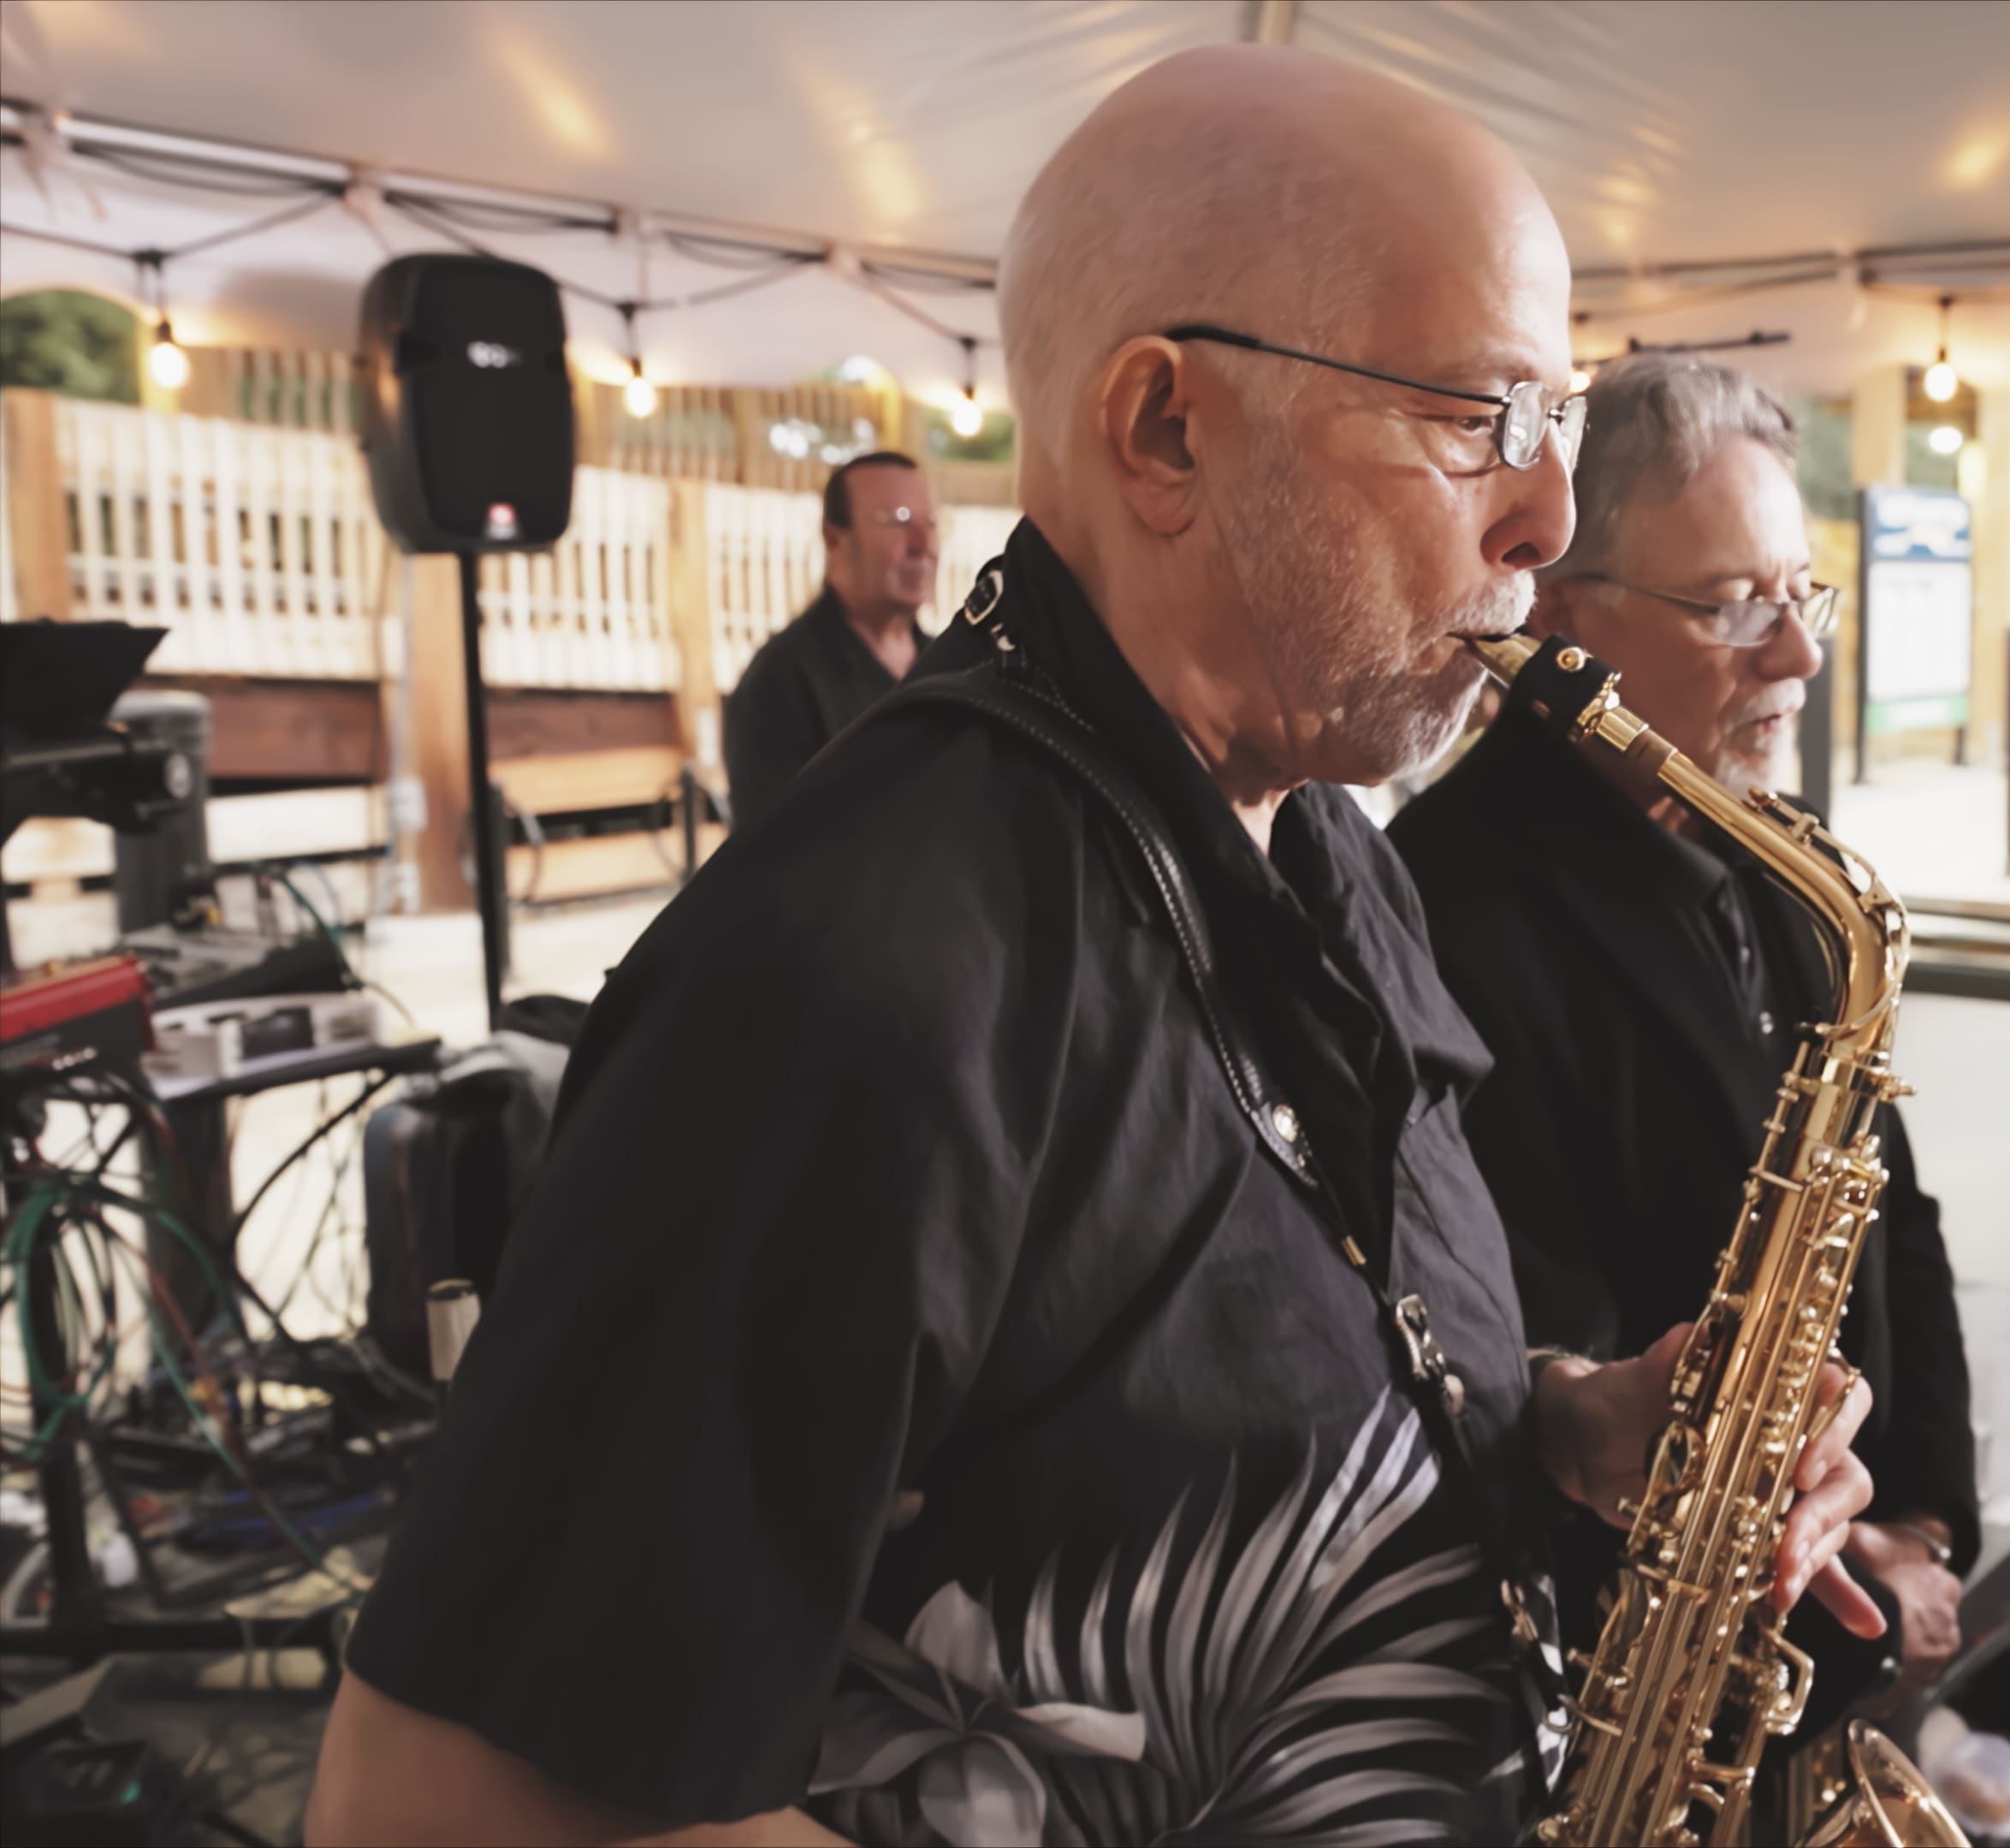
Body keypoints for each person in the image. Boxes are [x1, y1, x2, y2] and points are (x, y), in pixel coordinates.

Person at [305, 46, 1887, 1848]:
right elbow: (430, 1799)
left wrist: (1566, 1433)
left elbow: (1169, 1432)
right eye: (1483, 420)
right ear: (1165, 432)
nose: (1546, 519)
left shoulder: (1331, 856)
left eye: (1561, 425)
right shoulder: (857, 971)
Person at [1389, 355, 1978, 1725]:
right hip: (1618, 1678)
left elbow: (1900, 1217)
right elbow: (1509, 1343)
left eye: (1799, 593)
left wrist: (1924, 1522)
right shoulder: (1444, 905)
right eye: (1736, 606)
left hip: (1834, 1605)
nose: (1801, 655)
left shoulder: (1764, 849)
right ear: (1559, 618)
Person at [720, 451, 938, 823]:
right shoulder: (781, 680)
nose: (922, 545)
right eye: (898, 520)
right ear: (835, 539)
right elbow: (772, 858)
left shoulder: (949, 667)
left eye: (930, 523)